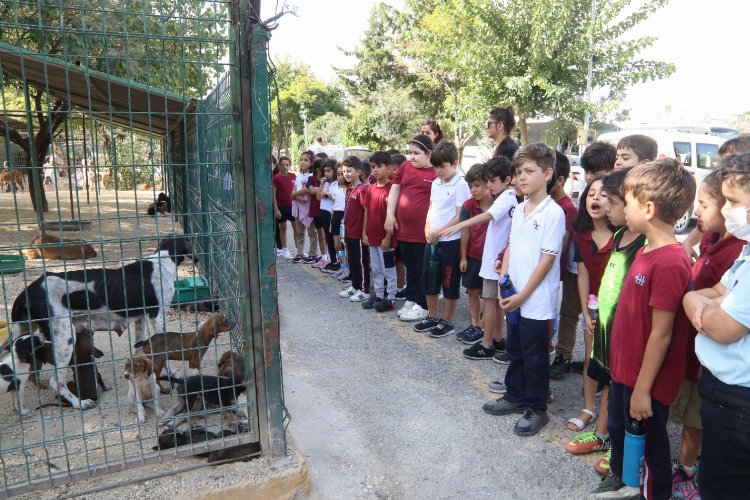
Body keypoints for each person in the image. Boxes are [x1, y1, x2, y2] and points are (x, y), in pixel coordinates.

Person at [589, 158, 695, 500]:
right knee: (621, 431)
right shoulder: (647, 249)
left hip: (644, 382)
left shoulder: (670, 261)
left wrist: (642, 390)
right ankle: (626, 484)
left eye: (628, 201)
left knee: (650, 447)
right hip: (624, 371)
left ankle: (653, 493)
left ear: (648, 209)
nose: (619, 207)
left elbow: (661, 333)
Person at [667, 170, 744, 499]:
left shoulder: (738, 250)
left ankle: (688, 473)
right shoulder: (729, 246)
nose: (698, 211)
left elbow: (724, 327)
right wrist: (698, 300)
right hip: (710, 369)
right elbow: (714, 291)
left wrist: (699, 305)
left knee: (724, 477)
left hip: (734, 392)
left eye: (732, 202)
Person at [482, 143, 565, 437]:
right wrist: (505, 284)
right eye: (519, 172)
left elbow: (547, 259)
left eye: (529, 171)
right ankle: (514, 396)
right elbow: (510, 249)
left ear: (547, 173)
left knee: (534, 355)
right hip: (514, 296)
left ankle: (536, 408)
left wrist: (522, 295)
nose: (522, 177)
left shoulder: (553, 213)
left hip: (535, 301)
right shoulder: (519, 210)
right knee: (515, 350)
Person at [569, 168, 646, 475]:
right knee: (608, 378)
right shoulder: (617, 236)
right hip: (604, 324)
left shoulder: (646, 244)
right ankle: (603, 433)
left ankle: (620, 445)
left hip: (628, 330)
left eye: (612, 201)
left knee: (624, 386)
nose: (605, 206)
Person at [440, 157, 516, 361]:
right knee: (495, 303)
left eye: (492, 181)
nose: (489, 185)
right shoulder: (507, 197)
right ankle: (498, 338)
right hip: (495, 260)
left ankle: (487, 344)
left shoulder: (507, 198)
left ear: (507, 180)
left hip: (494, 262)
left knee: (489, 302)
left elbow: (488, 216)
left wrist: (459, 225)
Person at [563, 178, 614, 436]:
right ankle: (589, 407)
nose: (595, 198)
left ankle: (609, 415)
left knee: (614, 364)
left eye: (603, 194)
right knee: (591, 358)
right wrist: (585, 311)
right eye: (591, 193)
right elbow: (582, 274)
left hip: (617, 309)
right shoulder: (581, 234)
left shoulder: (623, 236)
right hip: (593, 306)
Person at [413, 141, 471, 338]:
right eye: (436, 166)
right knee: (429, 280)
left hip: (450, 241)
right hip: (432, 240)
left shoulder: (461, 184)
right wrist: (428, 228)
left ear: (454, 163)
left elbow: (459, 216)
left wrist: (440, 232)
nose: (438, 170)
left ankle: (447, 321)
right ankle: (433, 316)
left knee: (448, 282)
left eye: (442, 166)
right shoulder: (436, 183)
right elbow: (431, 208)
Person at [385, 134, 438, 322]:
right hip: (405, 230)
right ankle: (412, 298)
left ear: (429, 153)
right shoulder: (405, 166)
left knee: (423, 268)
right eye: (410, 153)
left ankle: (423, 304)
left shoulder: (437, 171)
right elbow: (395, 189)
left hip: (424, 232)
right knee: (411, 267)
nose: (412, 157)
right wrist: (390, 215)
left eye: (416, 153)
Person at [442, 163, 492, 345]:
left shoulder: (499, 203)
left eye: (478, 185)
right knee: (472, 290)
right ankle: (474, 324)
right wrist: (463, 257)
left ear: (489, 183)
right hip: (472, 256)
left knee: (488, 294)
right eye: (470, 186)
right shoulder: (468, 205)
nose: (473, 190)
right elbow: (465, 232)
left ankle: (484, 325)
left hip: (491, 258)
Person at [549, 152, 580, 380]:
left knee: (566, 312)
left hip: (564, 269)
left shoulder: (567, 208)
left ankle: (563, 355)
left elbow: (562, 243)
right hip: (556, 270)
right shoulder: (547, 202)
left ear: (559, 179)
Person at [360, 152, 398, 312]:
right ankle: (379, 295)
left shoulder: (393, 189)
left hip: (385, 239)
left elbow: (394, 214)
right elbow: (367, 212)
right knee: (376, 268)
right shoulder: (370, 189)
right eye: (372, 167)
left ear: (388, 168)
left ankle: (391, 297)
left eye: (379, 167)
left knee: (388, 269)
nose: (375, 170)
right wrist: (364, 233)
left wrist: (388, 237)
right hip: (373, 237)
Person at [339, 157, 371, 302]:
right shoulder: (350, 189)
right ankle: (355, 286)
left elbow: (366, 211)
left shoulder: (362, 190)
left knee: (361, 262)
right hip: (349, 232)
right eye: (344, 171)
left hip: (358, 233)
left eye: (349, 171)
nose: (346, 174)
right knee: (352, 260)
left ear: (358, 172)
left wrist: (364, 232)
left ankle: (364, 289)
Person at [290, 151, 318, 263]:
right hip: (298, 206)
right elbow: (294, 190)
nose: (303, 162)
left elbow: (307, 189)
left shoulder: (312, 176)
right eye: (301, 160)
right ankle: (300, 253)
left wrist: (295, 195)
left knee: (312, 232)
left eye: (306, 160)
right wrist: (296, 197)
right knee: (299, 232)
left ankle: (312, 253)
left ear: (311, 163)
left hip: (308, 207)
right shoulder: (298, 175)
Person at [321, 162, 347, 274]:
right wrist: (331, 222)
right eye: (339, 174)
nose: (340, 177)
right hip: (335, 216)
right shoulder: (334, 187)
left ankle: (347, 269)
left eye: (343, 174)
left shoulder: (349, 188)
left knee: (345, 245)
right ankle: (342, 266)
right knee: (337, 246)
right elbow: (333, 204)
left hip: (345, 216)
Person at [315, 159, 340, 270]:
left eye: (329, 171)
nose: (326, 174)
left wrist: (329, 195)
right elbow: (318, 197)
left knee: (334, 237)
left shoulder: (337, 183)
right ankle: (332, 260)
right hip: (324, 211)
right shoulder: (325, 183)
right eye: (325, 171)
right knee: (327, 238)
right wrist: (321, 185)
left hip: (332, 212)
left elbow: (337, 198)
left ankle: (337, 262)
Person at [307, 158, 329, 267]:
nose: (323, 172)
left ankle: (331, 257)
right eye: (321, 170)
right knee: (320, 235)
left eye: (325, 170)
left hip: (327, 211)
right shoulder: (311, 178)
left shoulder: (329, 179)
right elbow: (310, 190)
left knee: (329, 235)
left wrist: (319, 189)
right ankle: (324, 257)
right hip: (316, 210)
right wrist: (320, 188)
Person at [273, 156, 295, 260]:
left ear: (289, 165)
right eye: (283, 165)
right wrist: (276, 209)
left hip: (292, 206)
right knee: (283, 228)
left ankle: (298, 250)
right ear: (279, 165)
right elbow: (273, 195)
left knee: (297, 229)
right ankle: (285, 249)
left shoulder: (293, 176)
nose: (285, 167)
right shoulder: (276, 177)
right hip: (281, 206)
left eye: (287, 165)